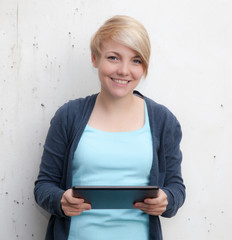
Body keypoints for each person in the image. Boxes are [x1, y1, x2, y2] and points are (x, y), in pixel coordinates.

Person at [34, 15, 185, 240]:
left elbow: (176, 187)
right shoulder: (68, 116)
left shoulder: (163, 120)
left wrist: (167, 199)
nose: (124, 70)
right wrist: (60, 200)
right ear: (95, 59)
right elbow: (44, 186)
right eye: (113, 58)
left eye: (136, 60)